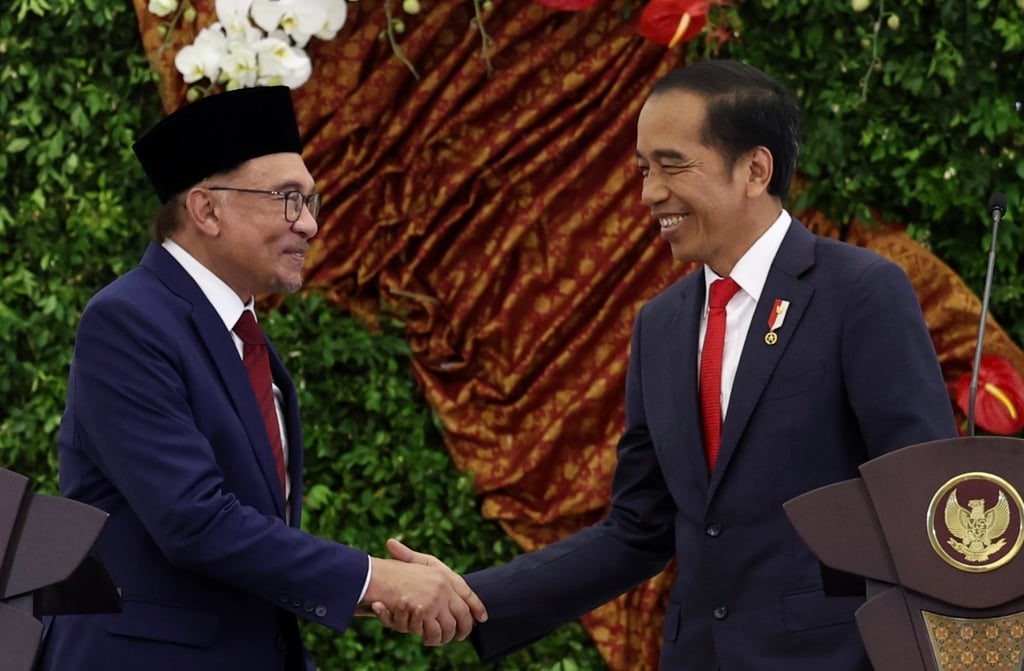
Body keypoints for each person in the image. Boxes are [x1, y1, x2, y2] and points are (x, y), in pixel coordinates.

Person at [374, 59, 959, 670]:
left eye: (672, 165)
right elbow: (638, 529)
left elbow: (924, 506)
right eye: (644, 169)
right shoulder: (661, 323)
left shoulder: (860, 290)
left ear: (755, 170)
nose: (650, 192)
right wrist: (472, 596)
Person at [37, 85, 485, 671]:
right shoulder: (128, 320)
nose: (309, 226)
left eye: (311, 202)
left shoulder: (245, 336)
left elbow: (248, 544)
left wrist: (371, 595)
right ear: (206, 209)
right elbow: (195, 521)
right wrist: (375, 579)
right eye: (287, 199)